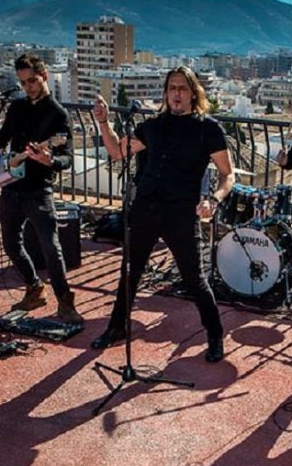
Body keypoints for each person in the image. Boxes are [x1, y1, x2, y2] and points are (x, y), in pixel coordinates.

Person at [89, 66, 234, 362]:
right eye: (172, 88)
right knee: (130, 272)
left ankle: (215, 334)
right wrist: (103, 123)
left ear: (193, 93)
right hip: (145, 207)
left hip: (181, 212)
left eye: (182, 88)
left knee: (194, 278)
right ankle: (116, 327)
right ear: (166, 94)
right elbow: (118, 152)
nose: (177, 94)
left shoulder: (208, 128)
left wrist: (214, 200)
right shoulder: (153, 126)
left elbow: (227, 174)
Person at [0, 53, 83, 324]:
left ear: (45, 76)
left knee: (51, 247)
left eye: (32, 81)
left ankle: (65, 301)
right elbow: (3, 136)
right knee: (10, 243)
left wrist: (49, 159)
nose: (28, 87)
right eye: (23, 82)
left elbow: (67, 157)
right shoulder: (17, 108)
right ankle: (33, 287)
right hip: (11, 185)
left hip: (39, 188)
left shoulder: (58, 115)